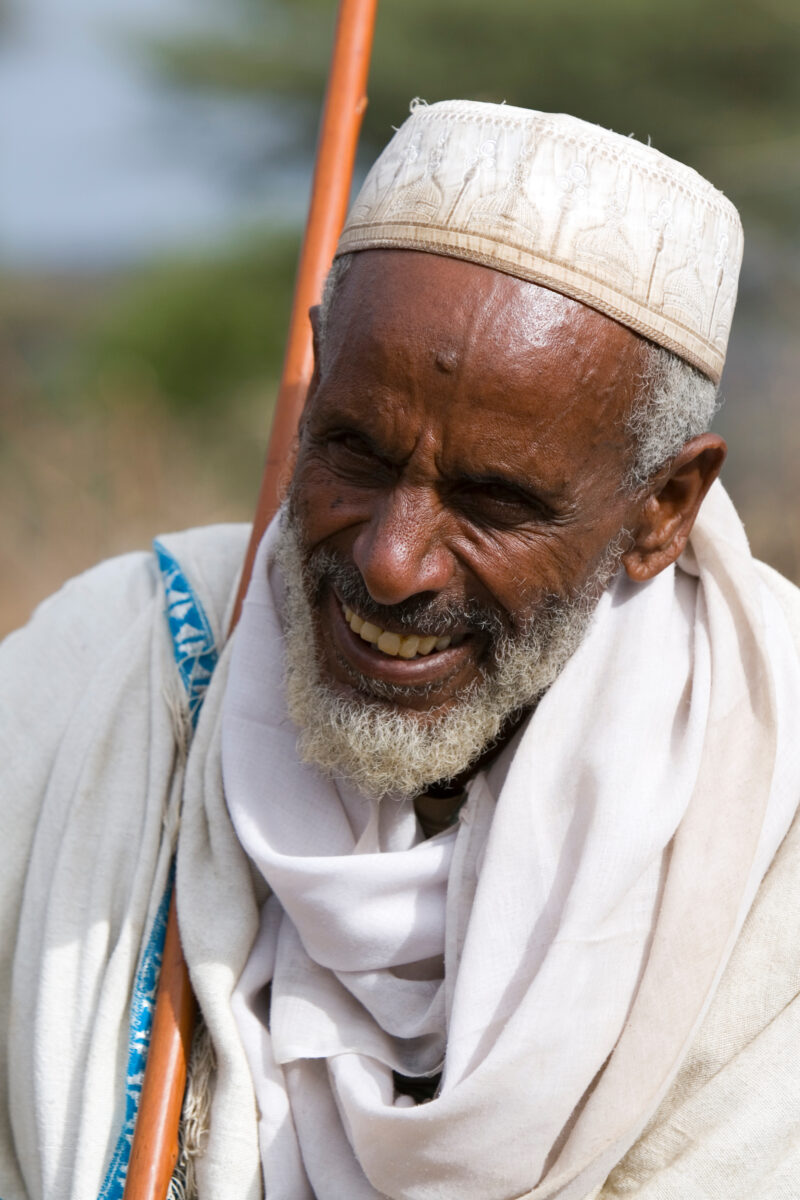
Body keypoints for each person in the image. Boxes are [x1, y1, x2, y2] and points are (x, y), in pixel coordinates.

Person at [3, 99, 800, 1200]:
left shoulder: (767, 805)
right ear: (315, 376)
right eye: (356, 454)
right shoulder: (116, 670)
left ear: (662, 510)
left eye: (492, 501)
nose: (390, 563)